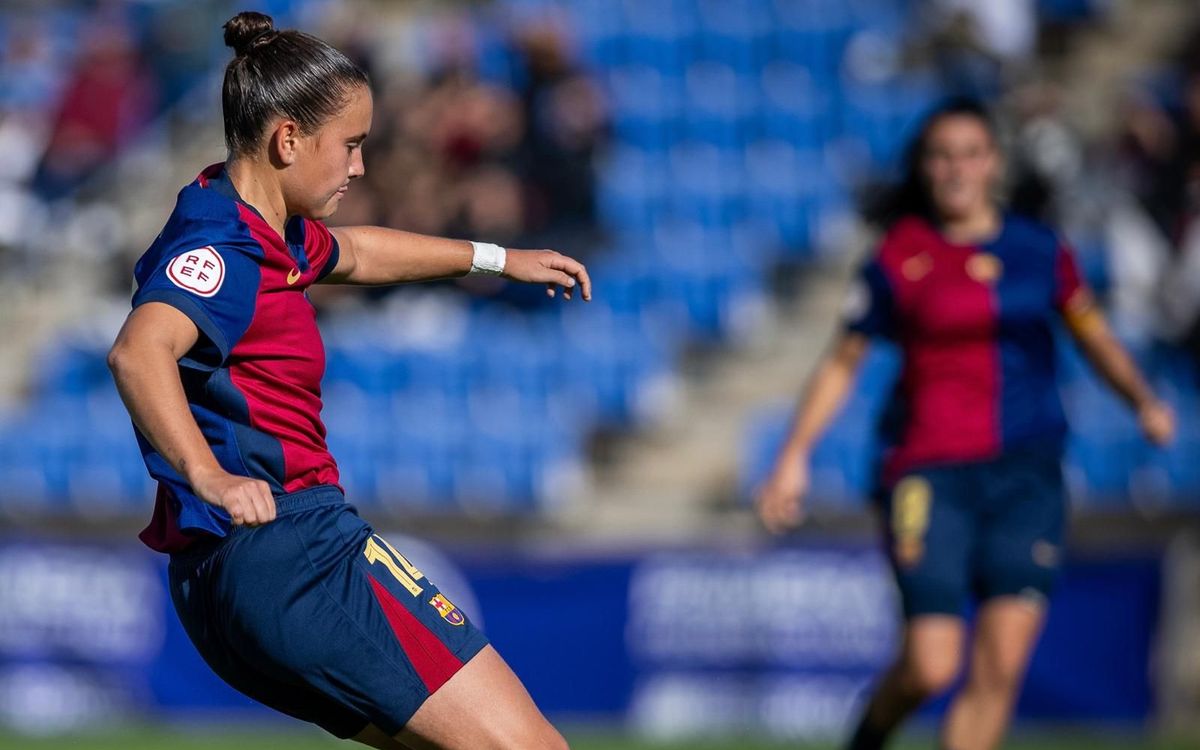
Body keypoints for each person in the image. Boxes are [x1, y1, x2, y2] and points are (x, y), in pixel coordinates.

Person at [107, 12, 589, 750]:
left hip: (227, 579)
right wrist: (208, 475)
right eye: (351, 146)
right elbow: (139, 352)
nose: (360, 167)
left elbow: (358, 254)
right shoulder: (224, 247)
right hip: (295, 551)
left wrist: (497, 258)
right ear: (288, 139)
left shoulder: (261, 226)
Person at [755, 98, 1175, 750]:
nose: (956, 169)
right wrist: (794, 454)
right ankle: (866, 739)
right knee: (932, 663)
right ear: (924, 167)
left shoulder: (1040, 252)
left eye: (970, 154)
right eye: (942, 156)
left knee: (999, 666)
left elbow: (1092, 334)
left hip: (1027, 474)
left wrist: (1141, 400)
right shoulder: (900, 257)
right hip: (929, 474)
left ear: (994, 163)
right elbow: (842, 363)